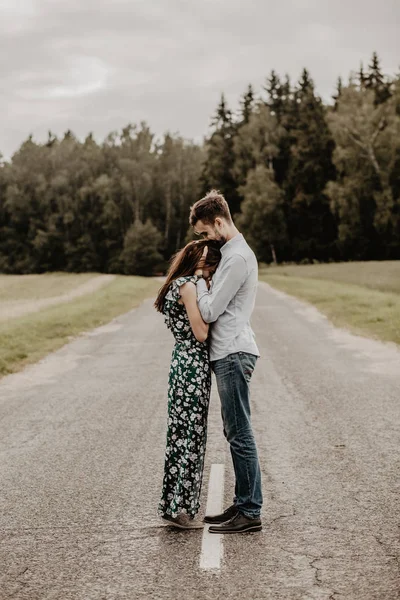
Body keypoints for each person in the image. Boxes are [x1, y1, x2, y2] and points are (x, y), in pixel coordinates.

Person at [189, 189, 263, 534]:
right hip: (228, 352)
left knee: (240, 432)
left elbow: (209, 310)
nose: (205, 240)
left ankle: (250, 512)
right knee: (234, 431)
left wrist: (202, 281)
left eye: (205, 233)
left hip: (233, 351)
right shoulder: (231, 255)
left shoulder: (236, 259)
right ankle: (243, 503)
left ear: (219, 222)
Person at [154, 239, 222, 529]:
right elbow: (201, 333)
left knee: (179, 434)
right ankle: (180, 510)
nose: (210, 275)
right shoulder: (189, 286)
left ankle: (172, 505)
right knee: (190, 436)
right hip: (193, 365)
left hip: (180, 362)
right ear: (201, 263)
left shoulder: (174, 285)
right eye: (210, 269)